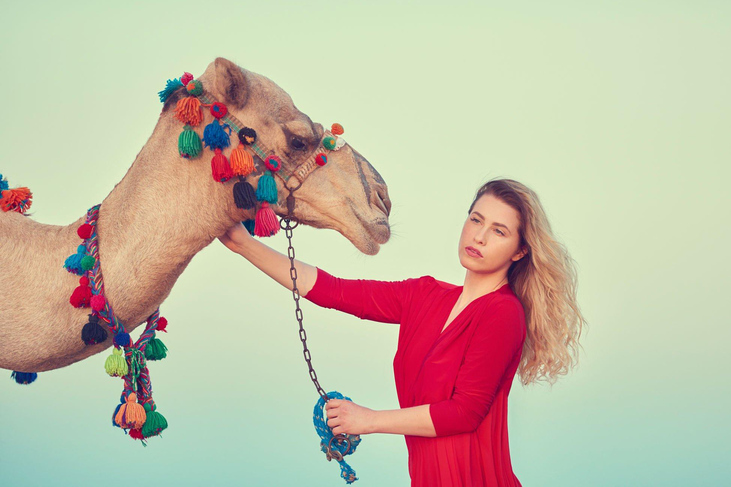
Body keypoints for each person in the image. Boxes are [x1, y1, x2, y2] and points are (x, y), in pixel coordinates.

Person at [217, 178, 585, 486]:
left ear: (519, 252)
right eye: (476, 220)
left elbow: (464, 413)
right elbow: (335, 291)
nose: (480, 236)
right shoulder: (423, 295)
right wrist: (243, 244)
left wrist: (368, 420)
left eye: (498, 231)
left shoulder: (504, 314)